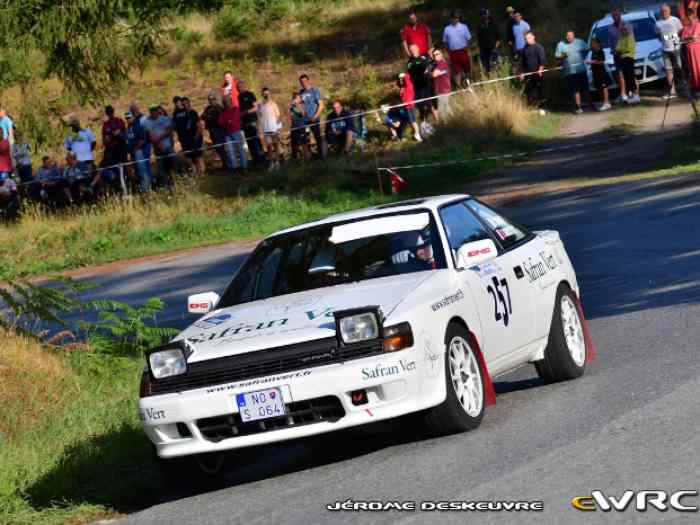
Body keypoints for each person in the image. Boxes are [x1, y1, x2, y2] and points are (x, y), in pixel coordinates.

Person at [555, 30, 589, 114]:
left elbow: (587, 49)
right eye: (567, 36)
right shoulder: (561, 44)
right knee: (575, 89)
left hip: (581, 69)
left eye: (570, 35)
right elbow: (557, 56)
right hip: (570, 71)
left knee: (585, 88)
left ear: (574, 35)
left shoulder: (580, 42)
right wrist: (564, 55)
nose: (568, 37)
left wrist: (583, 57)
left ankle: (589, 104)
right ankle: (578, 106)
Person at [142, 106, 175, 187]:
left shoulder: (166, 119)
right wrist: (159, 144)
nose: (154, 113)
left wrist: (162, 140)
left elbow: (170, 133)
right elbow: (151, 136)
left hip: (168, 148)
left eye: (157, 111)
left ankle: (176, 183)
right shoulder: (148, 122)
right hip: (158, 150)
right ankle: (166, 187)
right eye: (152, 111)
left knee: (173, 165)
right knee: (161, 171)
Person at [657, 4, 684, 99]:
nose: (664, 12)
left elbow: (681, 32)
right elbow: (658, 36)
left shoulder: (675, 20)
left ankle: (685, 88)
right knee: (668, 70)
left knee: (679, 68)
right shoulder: (658, 23)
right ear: (660, 12)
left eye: (666, 10)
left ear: (669, 11)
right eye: (662, 11)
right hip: (665, 49)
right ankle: (673, 92)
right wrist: (665, 40)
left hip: (676, 48)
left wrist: (671, 39)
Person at [299, 74, 327, 158]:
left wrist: (315, 117)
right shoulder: (301, 92)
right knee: (305, 138)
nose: (303, 83)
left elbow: (321, 105)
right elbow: (300, 106)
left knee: (317, 136)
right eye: (301, 82)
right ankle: (309, 156)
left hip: (314, 118)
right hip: (305, 120)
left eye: (305, 81)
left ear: (308, 81)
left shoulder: (315, 90)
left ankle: (322, 155)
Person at [100, 105, 128, 190]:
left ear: (113, 112)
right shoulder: (105, 124)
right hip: (111, 150)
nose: (110, 114)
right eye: (108, 113)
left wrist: (113, 135)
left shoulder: (119, 121)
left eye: (111, 112)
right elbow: (105, 140)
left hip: (121, 148)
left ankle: (126, 184)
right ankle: (114, 185)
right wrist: (112, 135)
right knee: (104, 167)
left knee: (124, 167)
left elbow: (122, 134)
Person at [443, 10, 472, 87]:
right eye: (453, 18)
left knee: (466, 68)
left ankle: (468, 84)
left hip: (463, 50)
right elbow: (445, 42)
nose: (455, 19)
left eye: (457, 18)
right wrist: (447, 53)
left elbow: (468, 39)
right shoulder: (447, 29)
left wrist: (468, 50)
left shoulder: (464, 27)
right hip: (453, 52)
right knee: (456, 71)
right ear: (450, 19)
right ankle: (458, 86)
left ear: (459, 18)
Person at [238, 80, 264, 165]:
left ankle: (262, 158)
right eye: (237, 88)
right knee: (249, 142)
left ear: (244, 86)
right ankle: (255, 160)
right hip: (245, 123)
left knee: (256, 140)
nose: (239, 89)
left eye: (240, 87)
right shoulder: (239, 96)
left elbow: (256, 107)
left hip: (252, 121)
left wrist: (246, 112)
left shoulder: (250, 94)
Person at [218, 96, 247, 173]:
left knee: (240, 149)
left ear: (230, 101)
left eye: (227, 100)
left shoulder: (235, 109)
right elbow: (220, 122)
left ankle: (244, 166)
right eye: (224, 101)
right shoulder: (223, 112)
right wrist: (228, 122)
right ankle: (234, 168)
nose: (225, 102)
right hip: (227, 133)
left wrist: (227, 122)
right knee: (230, 151)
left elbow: (233, 121)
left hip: (236, 131)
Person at [407, 44, 435, 121]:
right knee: (421, 105)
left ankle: (438, 120)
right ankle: (424, 121)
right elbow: (413, 71)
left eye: (414, 49)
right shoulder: (410, 62)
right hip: (417, 86)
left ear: (418, 49)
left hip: (427, 84)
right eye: (411, 50)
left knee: (430, 103)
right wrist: (423, 70)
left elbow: (430, 63)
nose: (413, 52)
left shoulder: (424, 57)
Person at [519, 31, 547, 109]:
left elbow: (543, 59)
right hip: (529, 75)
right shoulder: (525, 49)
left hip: (538, 74)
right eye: (525, 39)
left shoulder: (539, 47)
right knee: (530, 93)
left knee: (540, 92)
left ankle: (543, 108)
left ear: (533, 37)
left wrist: (540, 69)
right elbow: (522, 62)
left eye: (528, 38)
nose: (527, 40)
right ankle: (532, 108)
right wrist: (521, 73)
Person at [125, 111, 151, 192]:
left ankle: (146, 189)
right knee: (137, 172)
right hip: (132, 153)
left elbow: (142, 139)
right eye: (126, 118)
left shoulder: (137, 125)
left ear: (133, 117)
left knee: (142, 170)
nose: (128, 119)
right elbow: (128, 140)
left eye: (129, 117)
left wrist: (136, 149)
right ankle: (142, 189)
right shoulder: (128, 128)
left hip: (139, 152)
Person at [258, 87, 282, 171]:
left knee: (276, 145)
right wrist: (260, 129)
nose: (266, 95)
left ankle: (277, 162)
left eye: (267, 93)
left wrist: (279, 128)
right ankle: (271, 163)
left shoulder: (273, 104)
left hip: (274, 129)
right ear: (262, 94)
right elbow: (260, 118)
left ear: (269, 94)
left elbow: (278, 116)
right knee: (269, 147)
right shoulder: (260, 105)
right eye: (264, 94)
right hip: (266, 129)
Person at [617, 23, 641, 103]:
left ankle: (636, 96)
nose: (623, 31)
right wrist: (622, 49)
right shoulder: (621, 38)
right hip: (622, 59)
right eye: (622, 30)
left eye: (625, 29)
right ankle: (631, 95)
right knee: (626, 78)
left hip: (629, 58)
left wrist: (622, 50)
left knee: (631, 77)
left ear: (628, 29)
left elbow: (629, 48)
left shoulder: (630, 37)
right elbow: (617, 48)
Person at [585, 38, 612, 111]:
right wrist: (591, 64)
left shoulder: (600, 51)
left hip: (601, 73)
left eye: (593, 43)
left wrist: (591, 62)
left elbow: (602, 62)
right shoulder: (593, 52)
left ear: (597, 44)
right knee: (599, 88)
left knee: (604, 87)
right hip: (595, 73)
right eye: (591, 43)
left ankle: (607, 103)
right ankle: (603, 102)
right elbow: (593, 61)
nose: (592, 45)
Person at [202, 92, 227, 168]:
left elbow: (221, 118)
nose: (211, 101)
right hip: (211, 130)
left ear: (215, 99)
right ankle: (224, 163)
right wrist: (208, 116)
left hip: (218, 129)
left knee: (221, 147)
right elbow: (202, 116)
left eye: (212, 99)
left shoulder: (219, 107)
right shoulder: (207, 108)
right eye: (209, 99)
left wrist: (209, 116)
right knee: (217, 147)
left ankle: (226, 163)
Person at [397, 73, 422, 141]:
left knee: (412, 121)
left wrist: (403, 75)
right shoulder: (402, 87)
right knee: (410, 121)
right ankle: (414, 134)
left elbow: (407, 77)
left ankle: (417, 134)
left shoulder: (409, 85)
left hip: (409, 106)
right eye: (399, 79)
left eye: (402, 79)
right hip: (404, 107)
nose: (400, 80)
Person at [682, 8, 700, 96]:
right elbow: (682, 38)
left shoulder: (698, 24)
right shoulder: (686, 27)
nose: (688, 17)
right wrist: (689, 38)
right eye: (687, 15)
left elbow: (694, 37)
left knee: (698, 68)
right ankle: (695, 87)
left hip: (697, 50)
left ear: (693, 15)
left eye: (690, 15)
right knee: (692, 69)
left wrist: (688, 38)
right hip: (689, 50)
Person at [477, 8, 501, 75]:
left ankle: (498, 76)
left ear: (488, 15)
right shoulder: (480, 26)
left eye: (485, 15)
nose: (484, 16)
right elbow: (479, 39)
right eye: (482, 15)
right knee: (487, 66)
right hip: (484, 50)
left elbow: (498, 38)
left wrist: (496, 47)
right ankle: (489, 76)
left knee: (496, 64)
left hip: (494, 48)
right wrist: (480, 49)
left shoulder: (494, 24)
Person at [431, 49, 452, 118]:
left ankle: (447, 124)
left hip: (443, 89)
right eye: (433, 55)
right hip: (441, 89)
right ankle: (454, 121)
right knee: (447, 107)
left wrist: (429, 73)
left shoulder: (441, 63)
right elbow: (435, 74)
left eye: (437, 54)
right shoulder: (438, 64)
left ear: (441, 55)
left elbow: (434, 74)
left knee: (443, 110)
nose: (435, 56)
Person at [290, 92, 311, 161]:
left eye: (298, 98)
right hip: (294, 127)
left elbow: (303, 114)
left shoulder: (302, 105)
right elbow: (291, 117)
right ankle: (297, 159)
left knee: (304, 143)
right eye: (295, 98)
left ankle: (307, 159)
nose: (297, 99)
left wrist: (297, 104)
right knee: (295, 145)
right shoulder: (292, 107)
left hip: (302, 127)